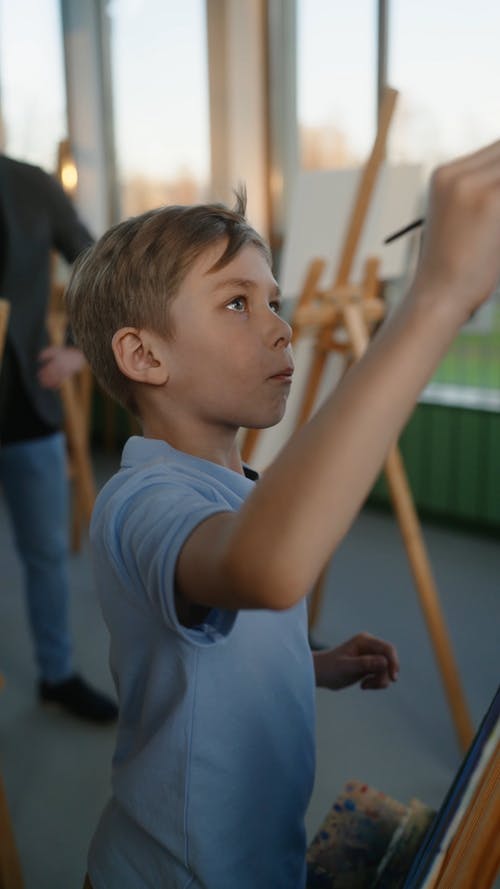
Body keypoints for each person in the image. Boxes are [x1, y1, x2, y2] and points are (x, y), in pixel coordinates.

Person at [67, 139, 500, 888]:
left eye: (273, 300)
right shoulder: (140, 502)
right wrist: (434, 298)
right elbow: (262, 567)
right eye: (237, 303)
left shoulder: (240, 489)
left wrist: (312, 665)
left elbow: (216, 646)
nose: (280, 325)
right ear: (143, 356)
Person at [0, 151, 117, 724]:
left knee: (45, 551)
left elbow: (95, 262)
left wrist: (77, 348)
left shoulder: (30, 183)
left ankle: (57, 673)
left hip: (24, 401)